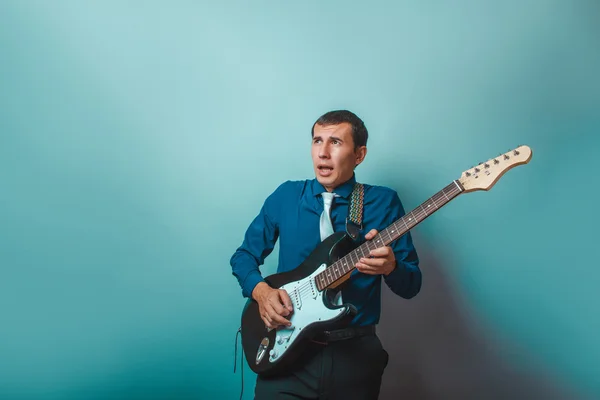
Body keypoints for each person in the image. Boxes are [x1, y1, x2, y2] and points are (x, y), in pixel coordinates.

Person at [230, 110, 422, 399]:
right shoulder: (286, 196)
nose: (323, 153)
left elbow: (412, 285)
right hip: (286, 354)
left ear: (359, 154)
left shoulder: (383, 202)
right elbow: (244, 256)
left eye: (335, 142)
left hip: (353, 359)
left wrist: (391, 267)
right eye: (317, 141)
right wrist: (262, 293)